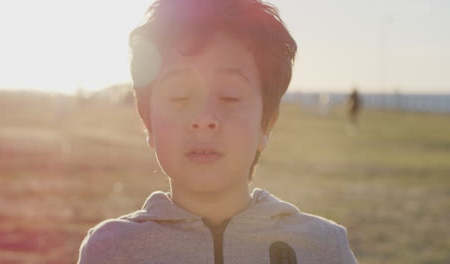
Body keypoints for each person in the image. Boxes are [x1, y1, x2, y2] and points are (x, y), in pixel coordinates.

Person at [77, 0, 358, 263]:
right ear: (148, 121)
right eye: (179, 96)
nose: (204, 118)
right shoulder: (111, 251)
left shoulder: (324, 248)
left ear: (267, 122)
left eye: (229, 96)